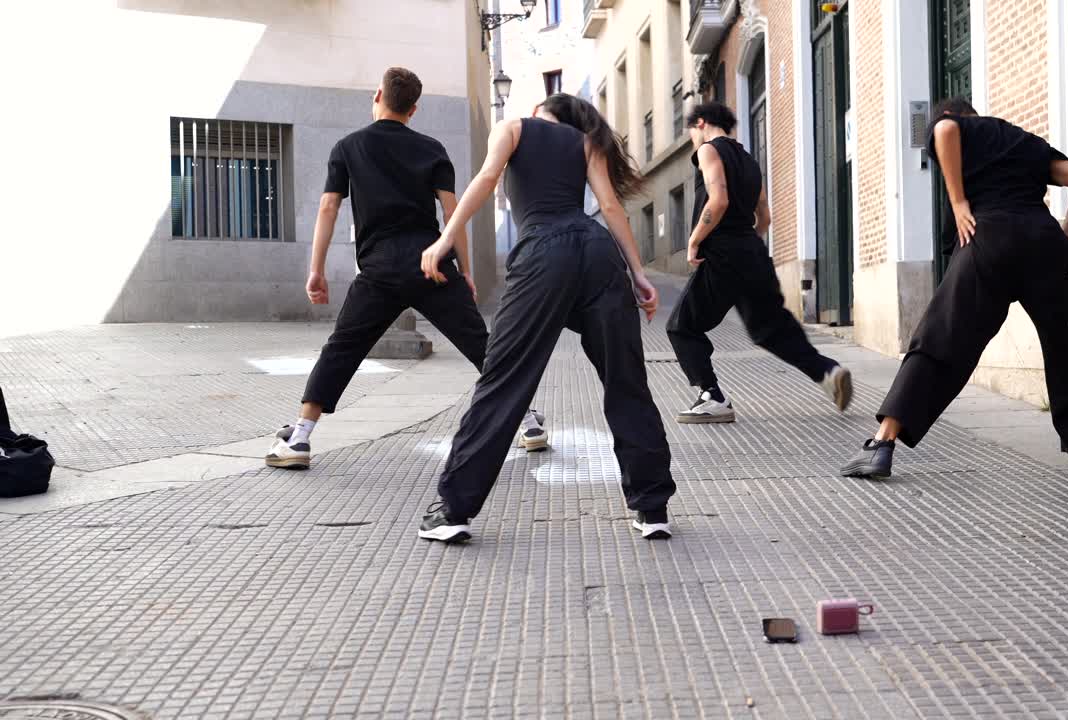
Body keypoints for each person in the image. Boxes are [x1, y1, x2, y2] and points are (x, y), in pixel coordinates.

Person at [415, 93, 676, 544]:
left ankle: (454, 510)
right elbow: (611, 206)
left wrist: (445, 239)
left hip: (543, 255)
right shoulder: (584, 142)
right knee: (626, 380)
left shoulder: (514, 127)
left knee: (505, 379)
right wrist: (638, 274)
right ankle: (653, 509)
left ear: (540, 111)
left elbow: (486, 177)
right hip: (598, 254)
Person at [265, 67, 548, 470]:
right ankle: (527, 421)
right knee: (479, 343)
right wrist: (465, 271)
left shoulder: (348, 147)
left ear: (378, 95)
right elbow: (453, 215)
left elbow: (329, 207)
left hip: (379, 270)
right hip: (432, 264)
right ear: (414, 108)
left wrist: (317, 269)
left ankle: (300, 438)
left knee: (343, 348)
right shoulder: (432, 149)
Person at [840, 98, 1068, 479]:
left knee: (940, 338)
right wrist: (1064, 238)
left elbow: (944, 130)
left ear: (958, 116)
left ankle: (882, 443)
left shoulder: (958, 127)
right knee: (1061, 345)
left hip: (987, 241)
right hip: (1042, 245)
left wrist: (958, 201)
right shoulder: (1025, 142)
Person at [667, 102, 853, 424]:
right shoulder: (750, 162)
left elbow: (719, 200)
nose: (692, 140)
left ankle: (712, 396)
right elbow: (763, 216)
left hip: (722, 253)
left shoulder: (709, 151)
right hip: (752, 252)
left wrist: (696, 239)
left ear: (701, 123)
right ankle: (826, 371)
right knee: (771, 329)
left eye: (691, 132)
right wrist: (746, 243)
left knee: (681, 326)